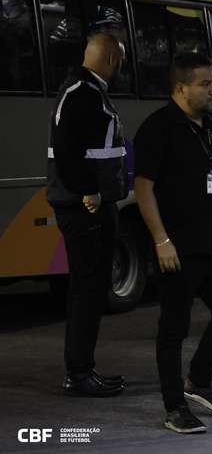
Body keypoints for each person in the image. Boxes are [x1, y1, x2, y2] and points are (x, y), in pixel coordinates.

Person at [134, 52, 212, 434]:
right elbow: (143, 188)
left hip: (211, 243)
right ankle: (174, 406)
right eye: (206, 84)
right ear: (181, 88)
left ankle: (199, 380)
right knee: (174, 328)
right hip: (177, 247)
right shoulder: (159, 127)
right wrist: (160, 240)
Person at [46, 32, 127, 397]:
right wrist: (89, 192)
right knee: (88, 289)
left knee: (91, 289)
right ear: (110, 58)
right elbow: (66, 151)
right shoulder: (82, 92)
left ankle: (83, 369)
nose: (122, 69)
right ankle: (79, 373)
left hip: (88, 205)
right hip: (84, 208)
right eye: (121, 61)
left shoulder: (82, 90)